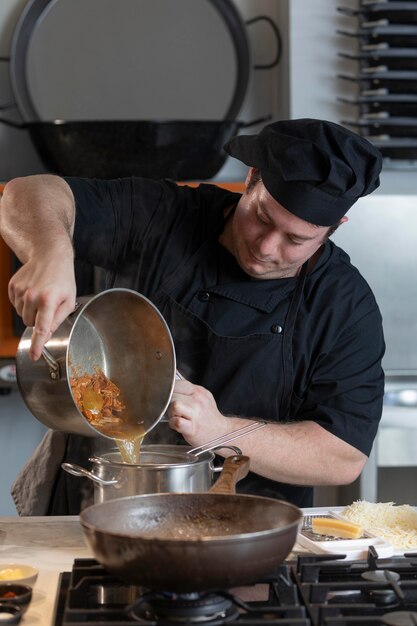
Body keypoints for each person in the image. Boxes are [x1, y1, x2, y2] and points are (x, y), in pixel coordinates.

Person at [0, 118, 385, 515]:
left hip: (242, 531)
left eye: (296, 240)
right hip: (94, 502)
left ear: (334, 228)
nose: (268, 247)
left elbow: (343, 455)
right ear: (252, 178)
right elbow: (27, 192)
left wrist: (220, 432)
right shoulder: (166, 216)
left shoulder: (344, 306)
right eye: (263, 218)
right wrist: (51, 253)